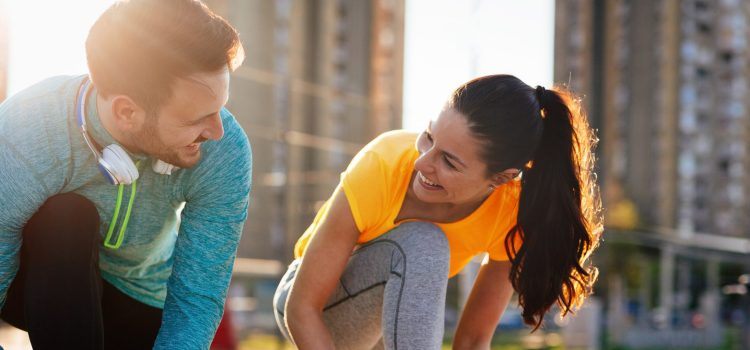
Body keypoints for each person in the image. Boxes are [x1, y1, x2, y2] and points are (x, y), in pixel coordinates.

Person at [273, 74, 603, 349]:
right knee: (424, 241)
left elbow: (473, 340)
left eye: (448, 161)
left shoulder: (511, 211)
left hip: (387, 325)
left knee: (424, 246)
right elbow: (302, 308)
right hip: (312, 304)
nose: (422, 163)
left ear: (501, 178)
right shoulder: (382, 163)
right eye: (429, 138)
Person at [0, 0, 251, 349]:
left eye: (219, 109)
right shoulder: (25, 129)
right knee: (66, 217)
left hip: (139, 301)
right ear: (127, 112)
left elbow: (198, 297)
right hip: (34, 286)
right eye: (197, 119)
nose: (217, 131)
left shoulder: (225, 150)